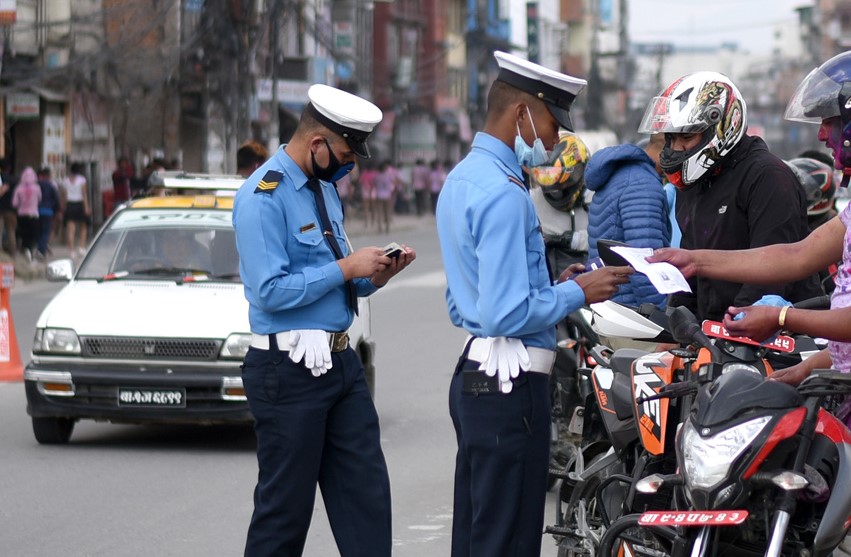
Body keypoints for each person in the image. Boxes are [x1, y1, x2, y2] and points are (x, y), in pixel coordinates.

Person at [436, 50, 632, 557]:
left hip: (476, 372)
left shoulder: (461, 179)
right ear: (521, 113)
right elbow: (504, 313)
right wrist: (577, 292)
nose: (553, 141)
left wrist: (550, 286)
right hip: (510, 384)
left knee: (478, 534)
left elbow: (467, 302)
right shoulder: (503, 194)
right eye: (550, 124)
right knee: (509, 539)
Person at [232, 83, 416, 557]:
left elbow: (344, 278)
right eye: (345, 154)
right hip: (286, 370)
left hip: (340, 362)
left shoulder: (324, 188)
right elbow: (268, 291)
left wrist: (377, 274)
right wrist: (345, 268)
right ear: (317, 145)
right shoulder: (262, 196)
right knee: (284, 514)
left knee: (367, 499)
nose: (350, 165)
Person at [647, 51, 851, 395]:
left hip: (763, 345)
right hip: (809, 372)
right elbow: (795, 254)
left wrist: (781, 320)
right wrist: (694, 262)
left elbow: (787, 274)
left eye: (830, 121)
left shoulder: (767, 176)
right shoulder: (694, 183)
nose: (820, 135)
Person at [638, 71, 823, 321]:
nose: (676, 148)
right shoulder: (695, 181)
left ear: (721, 127)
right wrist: (678, 326)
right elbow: (691, 269)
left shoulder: (768, 177)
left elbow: (773, 270)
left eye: (686, 136)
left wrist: (733, 329)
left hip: (776, 336)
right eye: (671, 138)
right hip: (713, 337)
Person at [586, 132, 671, 307]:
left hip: (610, 304)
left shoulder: (621, 175)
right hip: (631, 312)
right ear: (671, 147)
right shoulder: (642, 185)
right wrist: (661, 315)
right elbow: (645, 264)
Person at [12, 167, 41, 262]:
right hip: (34, 214)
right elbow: (40, 199)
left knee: (24, 234)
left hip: (21, 215)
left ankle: (25, 250)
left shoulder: (19, 188)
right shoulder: (37, 188)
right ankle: (31, 251)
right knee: (33, 235)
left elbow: (14, 203)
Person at [63, 162, 90, 257]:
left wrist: (64, 207)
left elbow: (65, 196)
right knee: (83, 226)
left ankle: (71, 251)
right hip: (79, 204)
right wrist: (86, 207)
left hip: (70, 204)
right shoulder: (82, 180)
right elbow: (84, 194)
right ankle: (81, 247)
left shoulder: (66, 180)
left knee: (71, 229)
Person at [36, 167, 60, 258]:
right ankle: (41, 251)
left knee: (39, 231)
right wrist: (56, 210)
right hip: (48, 212)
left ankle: (39, 248)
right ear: (48, 176)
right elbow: (56, 200)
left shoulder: (37, 185)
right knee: (46, 232)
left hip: (37, 211)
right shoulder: (51, 186)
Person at [0, 159, 16, 257]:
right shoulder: (14, 179)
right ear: (9, 168)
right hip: (11, 209)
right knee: (11, 231)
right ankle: (12, 253)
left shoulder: (1, 178)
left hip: (0, 208)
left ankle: (1, 254)